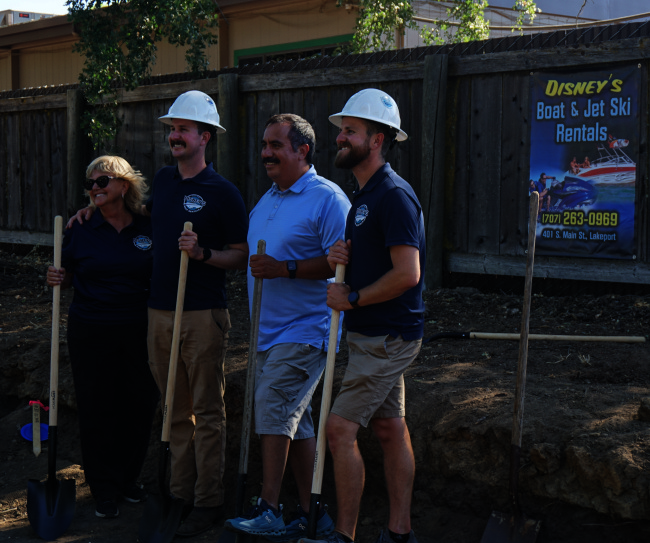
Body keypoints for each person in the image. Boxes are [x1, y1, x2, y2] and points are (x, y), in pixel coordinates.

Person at [68, 90, 249, 536]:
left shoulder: (223, 192)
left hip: (202, 313)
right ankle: (178, 495)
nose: (175, 136)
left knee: (207, 411)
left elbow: (241, 255)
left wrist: (203, 253)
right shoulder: (166, 181)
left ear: (205, 137)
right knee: (174, 410)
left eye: (184, 129)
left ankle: (208, 500)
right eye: (172, 129)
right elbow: (131, 212)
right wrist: (91, 207)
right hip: (159, 314)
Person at [300, 88, 425, 543]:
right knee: (389, 428)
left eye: (350, 131)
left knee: (338, 430)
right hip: (371, 334)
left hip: (389, 337)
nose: (340, 137)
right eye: (342, 130)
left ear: (376, 140)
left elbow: (408, 273)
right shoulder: (365, 196)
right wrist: (345, 259)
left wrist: (351, 298)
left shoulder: (394, 196)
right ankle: (399, 533)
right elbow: (378, 260)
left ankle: (344, 535)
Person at [224, 114, 350, 541]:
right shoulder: (267, 199)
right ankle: (315, 516)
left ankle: (269, 508)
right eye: (264, 145)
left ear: (303, 150)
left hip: (307, 329)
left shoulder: (327, 199)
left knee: (272, 404)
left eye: (276, 145)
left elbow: (341, 262)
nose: (266, 153)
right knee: (297, 424)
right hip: (266, 333)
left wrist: (285, 268)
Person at [47, 156, 159, 519]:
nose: (94, 188)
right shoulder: (80, 227)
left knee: (139, 404)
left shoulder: (148, 225)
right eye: (90, 183)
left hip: (140, 329)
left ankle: (128, 480)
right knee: (98, 406)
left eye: (102, 181)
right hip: (91, 330)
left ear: (124, 186)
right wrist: (56, 277)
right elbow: (65, 273)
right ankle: (104, 487)